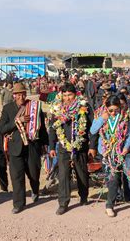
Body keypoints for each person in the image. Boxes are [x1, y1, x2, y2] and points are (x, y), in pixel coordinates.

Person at [0, 83, 48, 214]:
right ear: (14, 96)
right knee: (17, 177)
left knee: (34, 173)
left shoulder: (34, 107)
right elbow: (2, 129)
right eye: (18, 94)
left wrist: (46, 144)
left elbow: (42, 127)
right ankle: (18, 203)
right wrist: (17, 121)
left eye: (23, 94)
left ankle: (35, 189)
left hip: (32, 146)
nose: (21, 96)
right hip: (15, 147)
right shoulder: (8, 108)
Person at [48, 83, 95, 215]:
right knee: (63, 175)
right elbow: (52, 128)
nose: (68, 98)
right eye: (65, 95)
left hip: (81, 145)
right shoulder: (57, 109)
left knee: (82, 173)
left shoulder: (84, 107)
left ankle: (84, 197)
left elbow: (93, 128)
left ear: (75, 95)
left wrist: (92, 146)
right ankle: (63, 203)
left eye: (70, 95)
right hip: (63, 147)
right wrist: (52, 146)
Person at [90, 95, 130, 217]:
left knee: (114, 178)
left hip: (118, 154)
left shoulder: (124, 118)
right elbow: (92, 131)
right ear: (106, 108)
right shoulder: (101, 117)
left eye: (116, 110)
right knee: (111, 179)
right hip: (105, 153)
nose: (113, 113)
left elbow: (128, 135)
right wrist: (102, 119)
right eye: (111, 110)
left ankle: (109, 204)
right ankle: (112, 199)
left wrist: (125, 147)